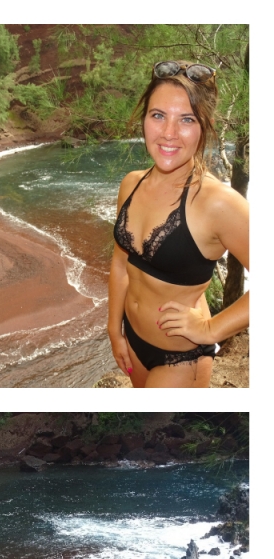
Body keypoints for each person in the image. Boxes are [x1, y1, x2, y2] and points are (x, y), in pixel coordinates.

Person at [108, 60, 249, 387]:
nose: (168, 133)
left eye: (186, 119)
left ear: (205, 126)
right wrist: (115, 331)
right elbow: (120, 264)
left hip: (180, 358)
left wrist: (211, 330)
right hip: (133, 340)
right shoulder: (131, 184)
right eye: (158, 115)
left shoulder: (218, 203)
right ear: (144, 117)